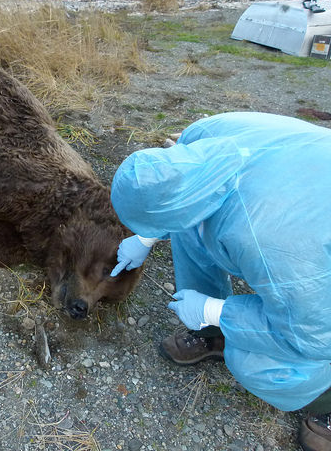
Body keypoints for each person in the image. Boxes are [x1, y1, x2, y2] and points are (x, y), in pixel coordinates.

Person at [109, 112, 331, 451]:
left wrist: (216, 310)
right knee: (191, 231)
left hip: (305, 237)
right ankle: (213, 337)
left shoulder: (265, 240)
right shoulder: (201, 135)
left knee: (257, 364)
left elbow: (311, 335)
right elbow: (180, 190)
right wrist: (145, 238)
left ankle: (326, 402)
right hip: (306, 177)